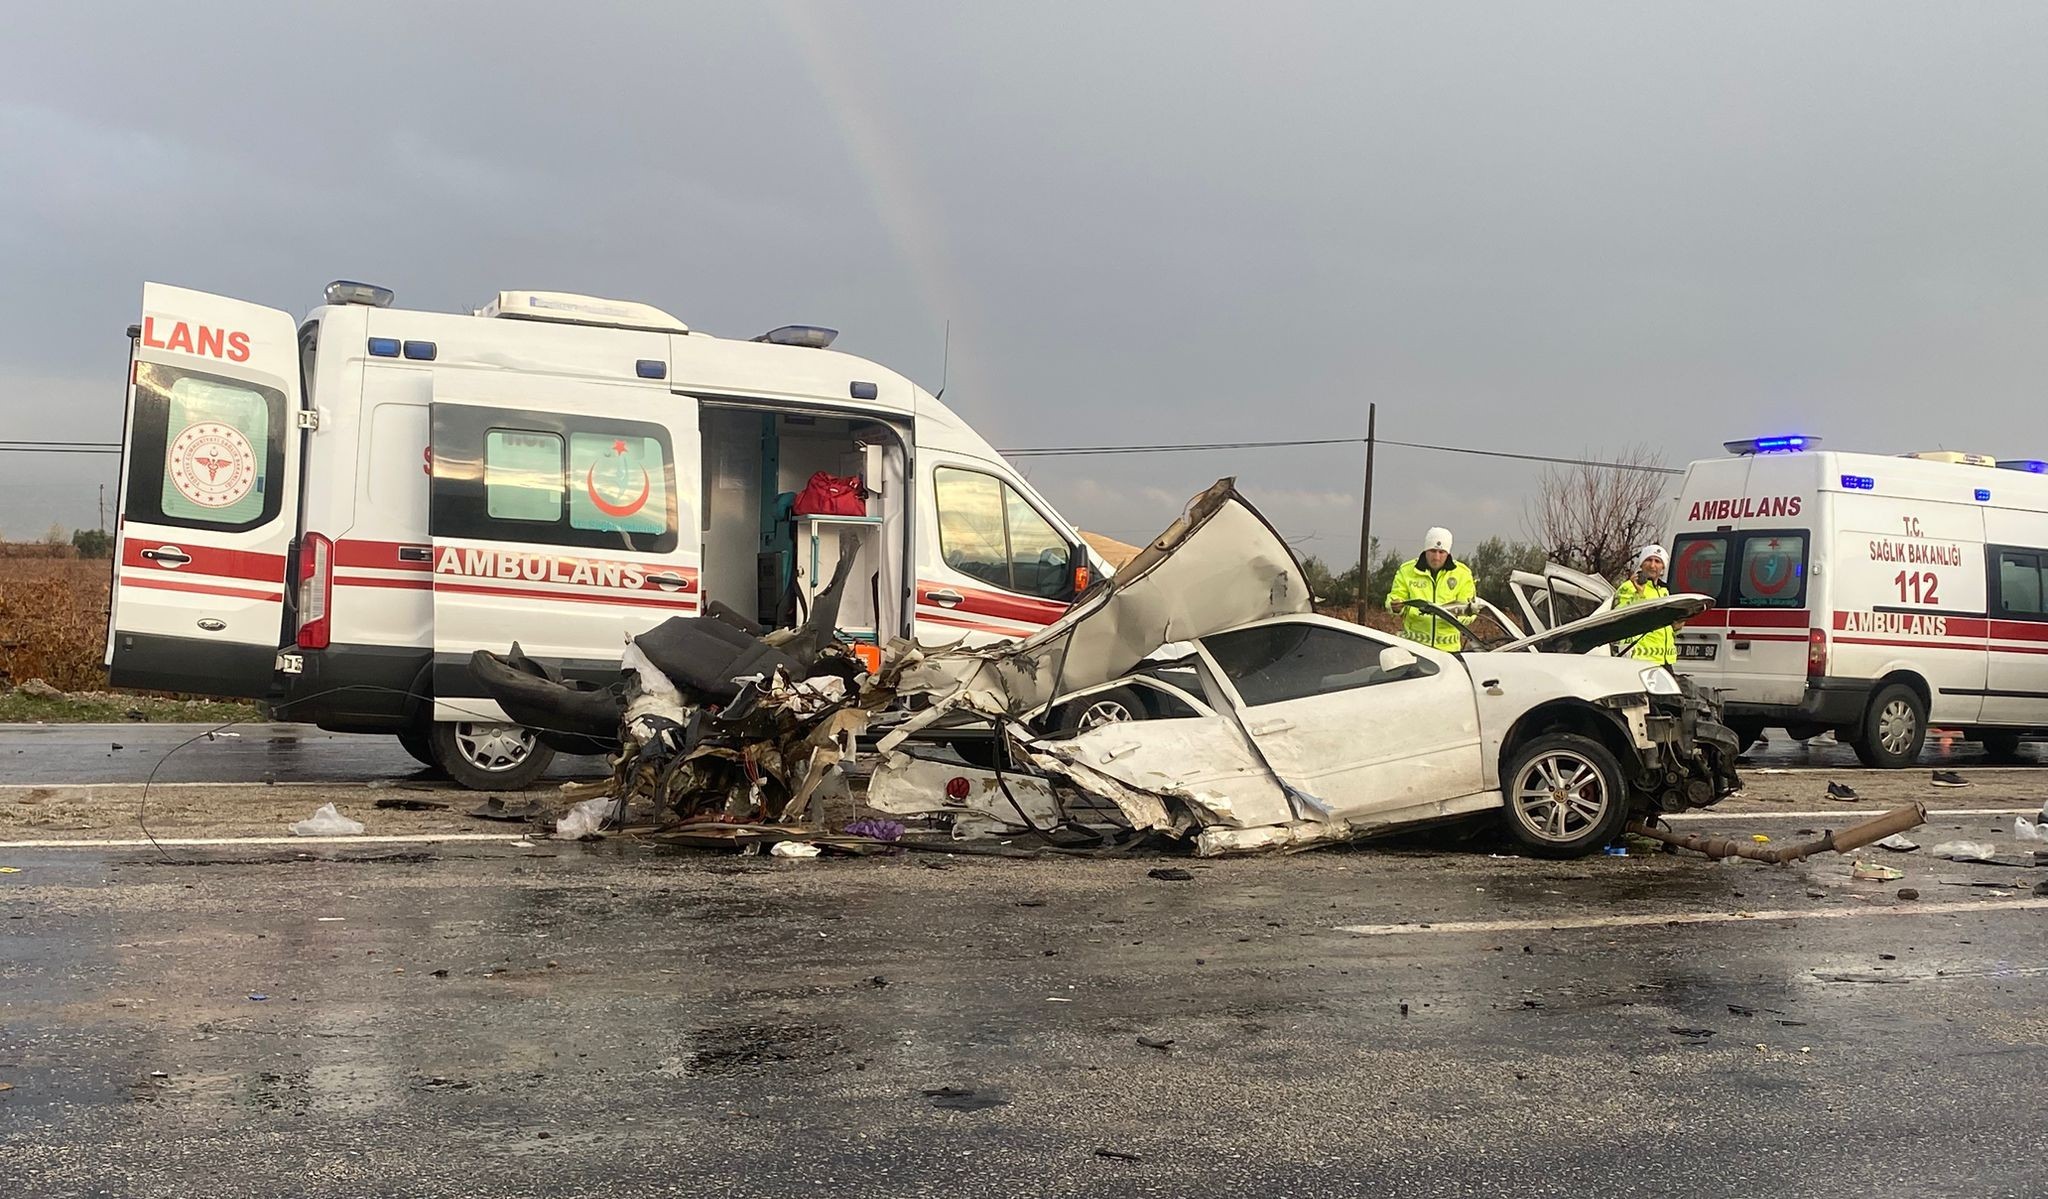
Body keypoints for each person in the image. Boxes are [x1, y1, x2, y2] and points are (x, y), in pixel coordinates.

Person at [1385, 527, 1477, 652]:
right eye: (1433, 551)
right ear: (1425, 550)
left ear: (1448, 553)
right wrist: (1395, 606)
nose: (1436, 557)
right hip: (1414, 648)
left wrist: (1454, 616)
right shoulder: (1407, 570)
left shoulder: (1462, 574)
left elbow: (1470, 611)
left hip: (1450, 651)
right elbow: (1394, 597)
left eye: (1441, 552)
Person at [1614, 544, 1677, 666]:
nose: (1652, 565)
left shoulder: (1664, 591)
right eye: (1648, 560)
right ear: (1641, 564)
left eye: (1657, 561)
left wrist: (1677, 626)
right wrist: (1639, 594)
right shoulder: (1629, 586)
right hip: (1640, 659)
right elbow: (1620, 615)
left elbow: (1665, 627)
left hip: (1664, 660)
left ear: (1663, 567)